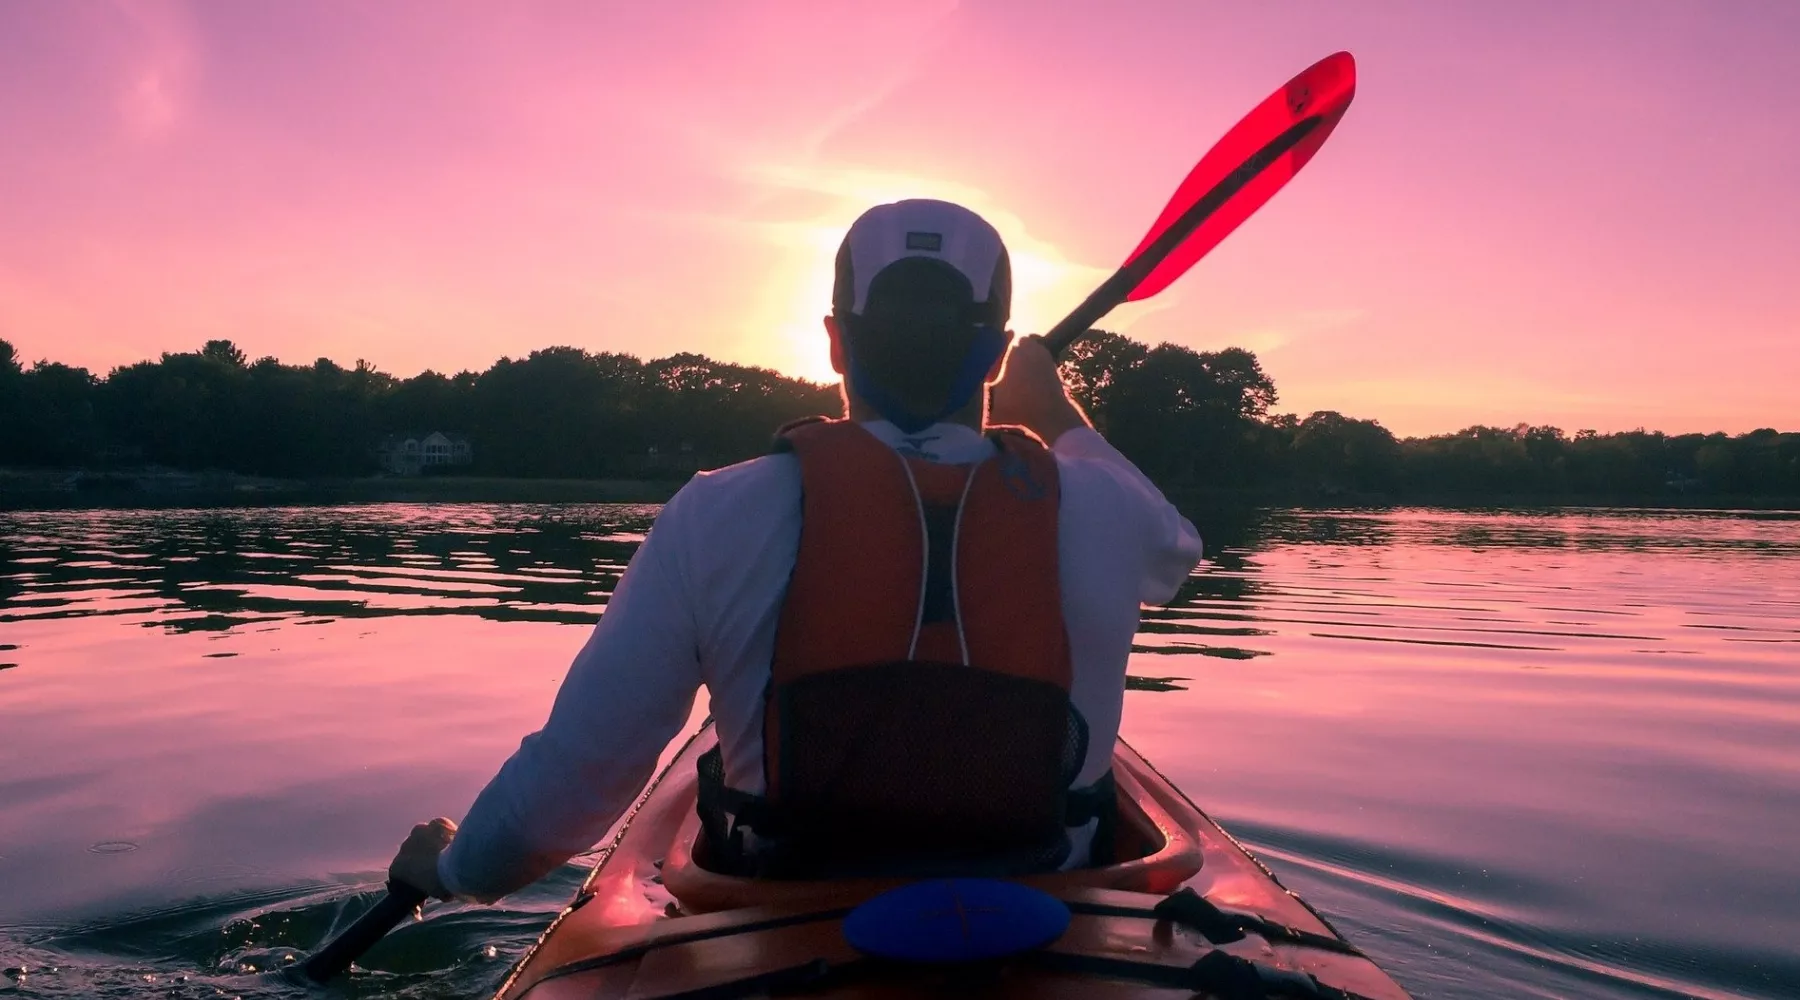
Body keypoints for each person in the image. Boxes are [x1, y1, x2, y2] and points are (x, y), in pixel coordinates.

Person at [389, 199, 1203, 900]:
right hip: (1051, 913)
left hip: (784, 914)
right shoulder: (1104, 506)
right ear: (994, 353)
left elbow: (572, 784)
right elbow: (1179, 551)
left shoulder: (717, 512)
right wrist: (1055, 410)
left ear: (835, 343)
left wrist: (454, 871)